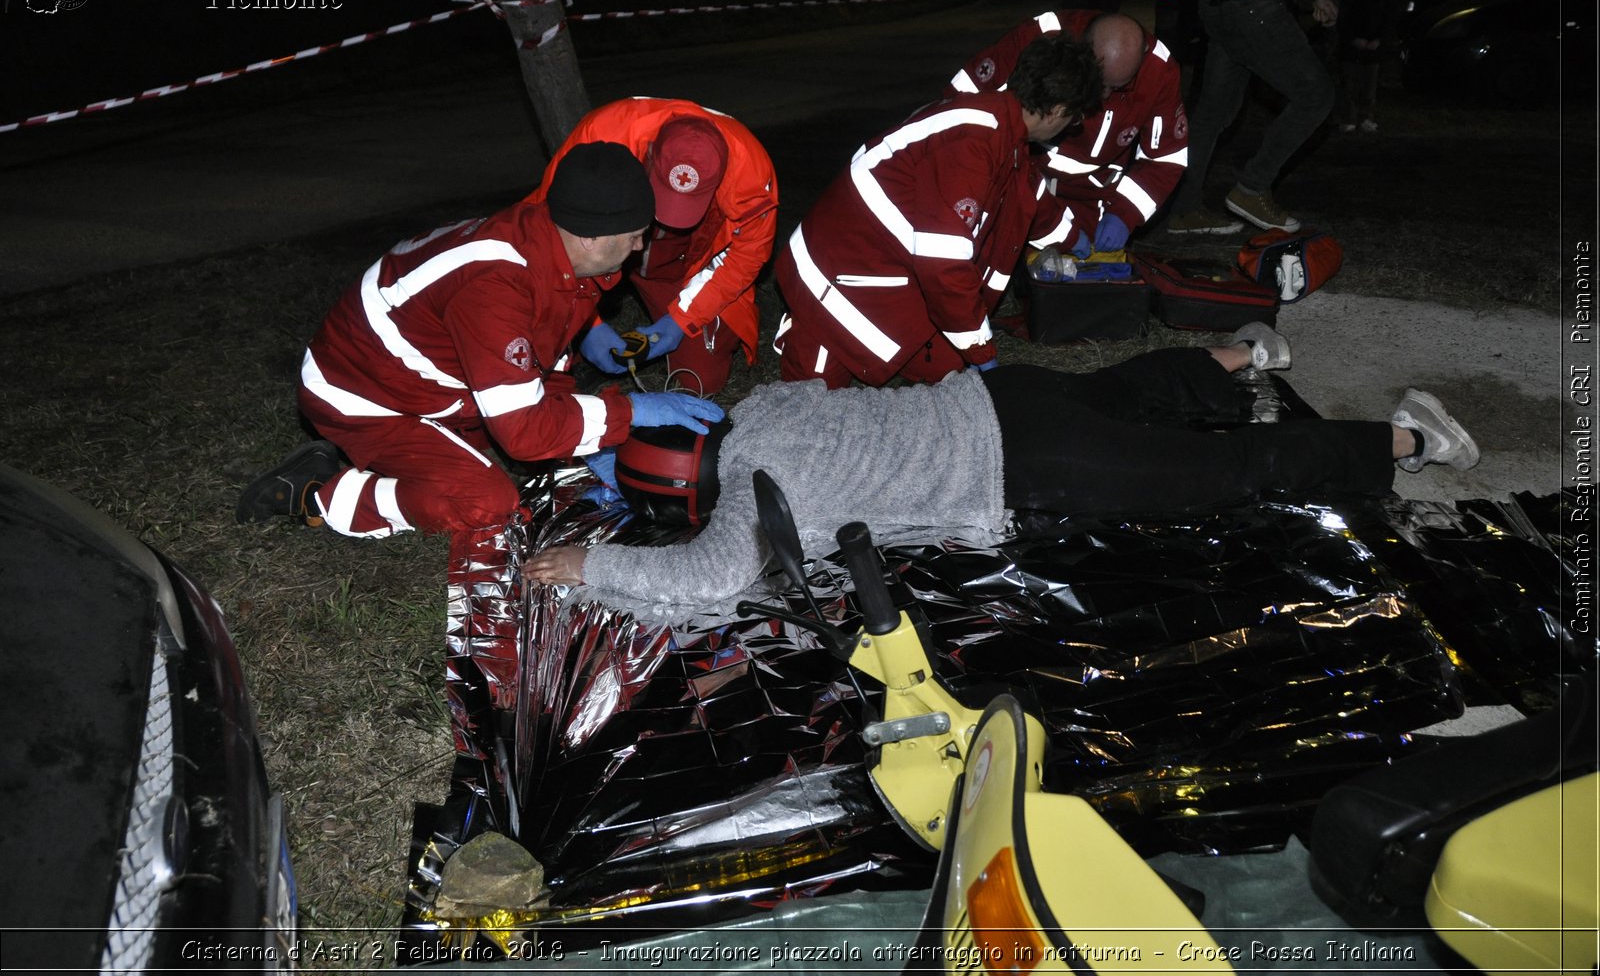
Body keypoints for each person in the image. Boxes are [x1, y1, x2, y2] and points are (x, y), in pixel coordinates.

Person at [524, 323, 1481, 608]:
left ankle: (1403, 438)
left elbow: (707, 575)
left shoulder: (756, 498)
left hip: (1025, 464)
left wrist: (588, 565)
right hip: (998, 395)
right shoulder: (765, 406)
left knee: (1225, 474)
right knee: (1119, 383)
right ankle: (1241, 356)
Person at [236, 142, 724, 538]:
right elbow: (524, 431)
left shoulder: (558, 258)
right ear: (593, 234)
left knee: (535, 451)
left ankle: (418, 451)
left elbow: (544, 368)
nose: (641, 246)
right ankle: (317, 493)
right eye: (636, 234)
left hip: (432, 382)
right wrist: (630, 414)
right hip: (362, 395)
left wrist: (594, 443)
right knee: (485, 502)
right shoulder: (497, 284)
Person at [773, 35, 1102, 388]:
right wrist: (980, 349)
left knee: (943, 370)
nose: (1072, 127)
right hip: (839, 266)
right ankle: (806, 325)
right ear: (1056, 110)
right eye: (1075, 117)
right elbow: (943, 265)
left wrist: (1075, 239)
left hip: (888, 261)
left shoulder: (1003, 129)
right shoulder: (973, 141)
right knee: (813, 394)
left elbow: (1027, 198)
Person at [525, 98, 778, 395]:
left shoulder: (751, 174)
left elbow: (747, 255)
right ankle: (571, 353)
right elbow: (550, 231)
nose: (670, 217)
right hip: (598, 243)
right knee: (535, 318)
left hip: (680, 260)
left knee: (701, 379)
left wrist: (681, 320)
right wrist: (586, 324)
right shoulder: (604, 135)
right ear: (650, 151)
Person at [947, 10, 1189, 255]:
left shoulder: (1159, 73)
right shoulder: (1044, 39)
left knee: (1082, 272)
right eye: (1097, 81)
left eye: (1117, 88)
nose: (1103, 95)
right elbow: (965, 99)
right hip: (1023, 172)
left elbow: (1166, 159)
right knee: (994, 254)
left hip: (1091, 196)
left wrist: (1125, 213)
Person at [1165, 0, 1341, 237]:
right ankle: (1252, 187)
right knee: (1315, 95)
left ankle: (1184, 208)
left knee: (1213, 113)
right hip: (1251, 8)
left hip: (1218, 0)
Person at [1337, 0, 1395, 133]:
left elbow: (1388, 21)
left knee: (1369, 87)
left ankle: (1367, 118)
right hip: (1351, 47)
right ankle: (1350, 119)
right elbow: (1344, 20)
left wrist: (1378, 41)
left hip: (1373, 49)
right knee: (1350, 85)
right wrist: (1354, 39)